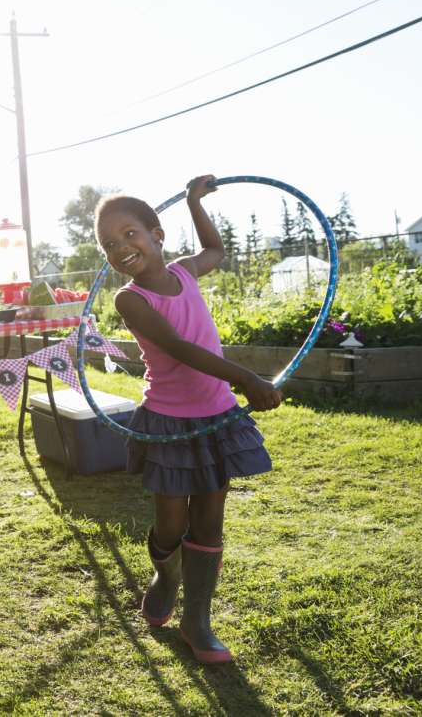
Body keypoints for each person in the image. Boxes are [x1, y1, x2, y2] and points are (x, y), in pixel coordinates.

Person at [94, 174, 281, 665]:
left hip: (216, 417)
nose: (122, 247)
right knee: (170, 524)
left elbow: (215, 248)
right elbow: (179, 349)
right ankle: (166, 574)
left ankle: (197, 622)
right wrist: (247, 378)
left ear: (157, 234)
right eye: (110, 244)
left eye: (131, 234)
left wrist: (196, 202)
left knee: (210, 521)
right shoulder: (129, 299)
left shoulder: (186, 272)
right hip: (170, 421)